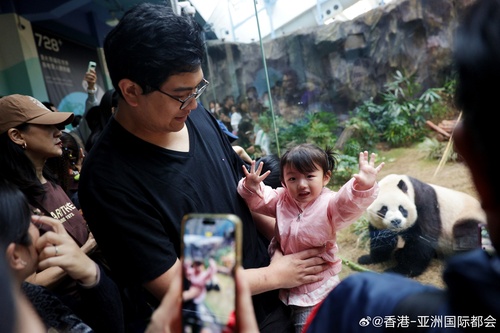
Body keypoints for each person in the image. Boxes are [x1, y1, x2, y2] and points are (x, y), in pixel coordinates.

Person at [78, 3, 329, 332]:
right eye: (183, 95)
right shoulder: (108, 180)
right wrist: (276, 274)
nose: (195, 103)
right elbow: (175, 285)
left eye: (199, 88)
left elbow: (242, 198)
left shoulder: (192, 114)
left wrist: (296, 236)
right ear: (131, 91)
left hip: (276, 298)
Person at [303, 0, 500, 331]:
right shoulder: (389, 200)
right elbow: (380, 224)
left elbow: (421, 244)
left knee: (432, 245)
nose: (393, 216)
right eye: (382, 212)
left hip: (464, 230)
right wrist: (378, 255)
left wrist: (405, 267)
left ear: (466, 148)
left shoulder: (359, 301)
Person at [0, 94, 121, 331]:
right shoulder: (12, 202)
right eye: (47, 125)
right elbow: (26, 283)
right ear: (17, 136)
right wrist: (84, 250)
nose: (58, 131)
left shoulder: (51, 179)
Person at [237, 144, 383, 332]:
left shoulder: (329, 205)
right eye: (293, 178)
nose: (302, 184)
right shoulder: (282, 200)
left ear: (326, 177)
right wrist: (251, 186)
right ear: (283, 182)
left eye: (309, 176)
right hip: (288, 285)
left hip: (316, 287)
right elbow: (259, 199)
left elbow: (347, 203)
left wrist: (362, 185)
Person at [0, 179, 124, 332]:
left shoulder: (36, 296)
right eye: (31, 221)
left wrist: (90, 274)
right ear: (16, 255)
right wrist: (83, 252)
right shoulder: (32, 301)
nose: (40, 228)